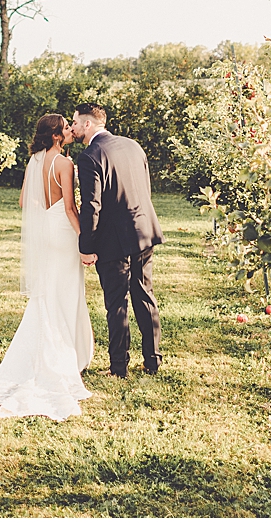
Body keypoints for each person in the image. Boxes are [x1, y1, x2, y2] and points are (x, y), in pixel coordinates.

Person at [0, 113, 95, 420]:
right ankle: (64, 360)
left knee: (47, 296)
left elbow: (23, 202)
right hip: (63, 235)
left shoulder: (34, 162)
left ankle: (46, 357)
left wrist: (45, 214)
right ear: (57, 136)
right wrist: (86, 240)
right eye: (66, 129)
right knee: (67, 295)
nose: (71, 131)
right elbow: (71, 208)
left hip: (46, 236)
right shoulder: (64, 164)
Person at [73, 103, 163, 377]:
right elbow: (144, 189)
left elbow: (91, 206)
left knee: (117, 302)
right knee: (144, 294)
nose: (73, 126)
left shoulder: (89, 156)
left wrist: (86, 247)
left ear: (88, 125)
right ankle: (153, 359)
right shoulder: (133, 146)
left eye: (75, 122)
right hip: (144, 231)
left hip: (113, 241)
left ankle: (119, 367)